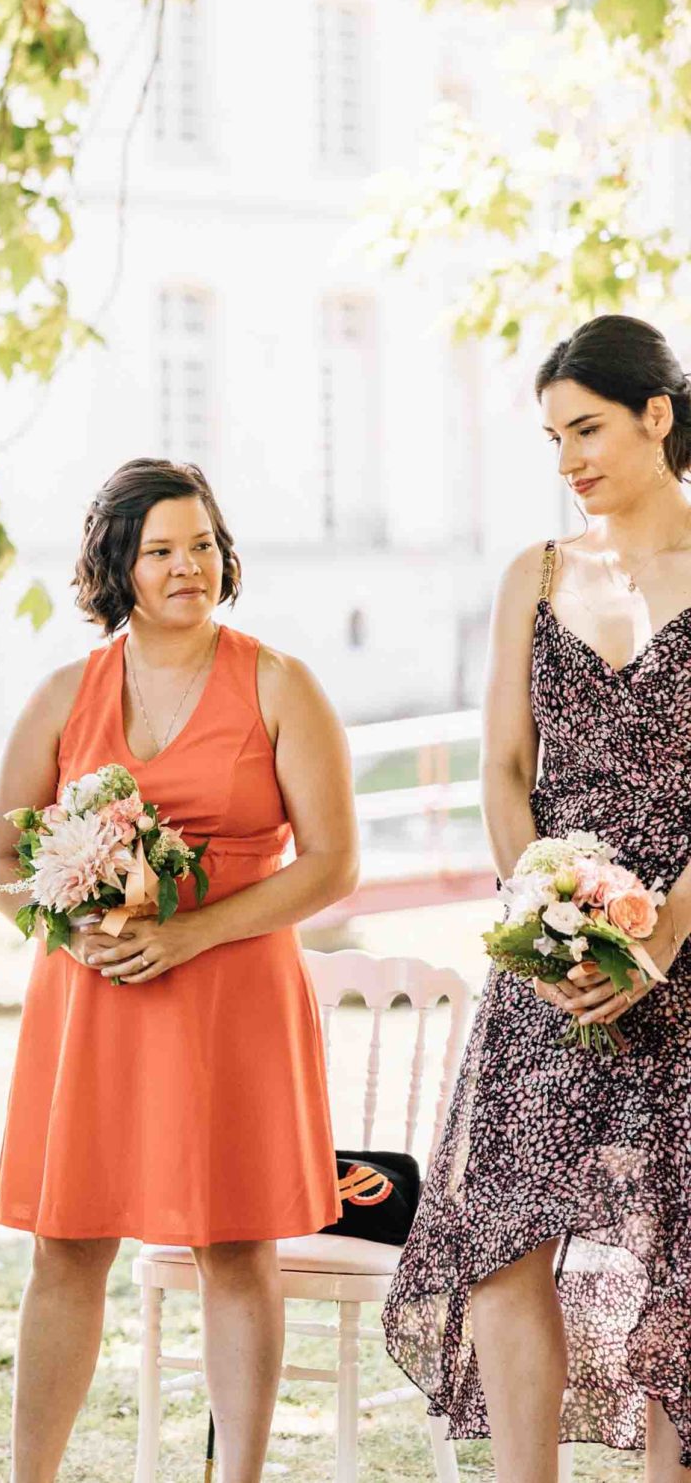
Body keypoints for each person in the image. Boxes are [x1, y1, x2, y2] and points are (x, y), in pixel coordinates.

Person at [0, 458, 359, 1483]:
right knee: (65, 1246)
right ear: (119, 567)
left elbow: (332, 863)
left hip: (233, 999)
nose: (189, 566)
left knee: (234, 1246)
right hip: (94, 1005)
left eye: (202, 545)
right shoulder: (64, 694)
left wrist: (193, 934)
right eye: (161, 551)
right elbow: (0, 865)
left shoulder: (279, 683)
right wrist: (73, 931)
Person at [386, 315, 691, 1480]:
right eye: (553, 438)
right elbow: (505, 770)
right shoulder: (537, 574)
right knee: (503, 1236)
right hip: (546, 957)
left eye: (588, 430)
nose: (568, 459)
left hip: (685, 950)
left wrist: (662, 934)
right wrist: (544, 923)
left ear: (656, 416)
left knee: (680, 1260)